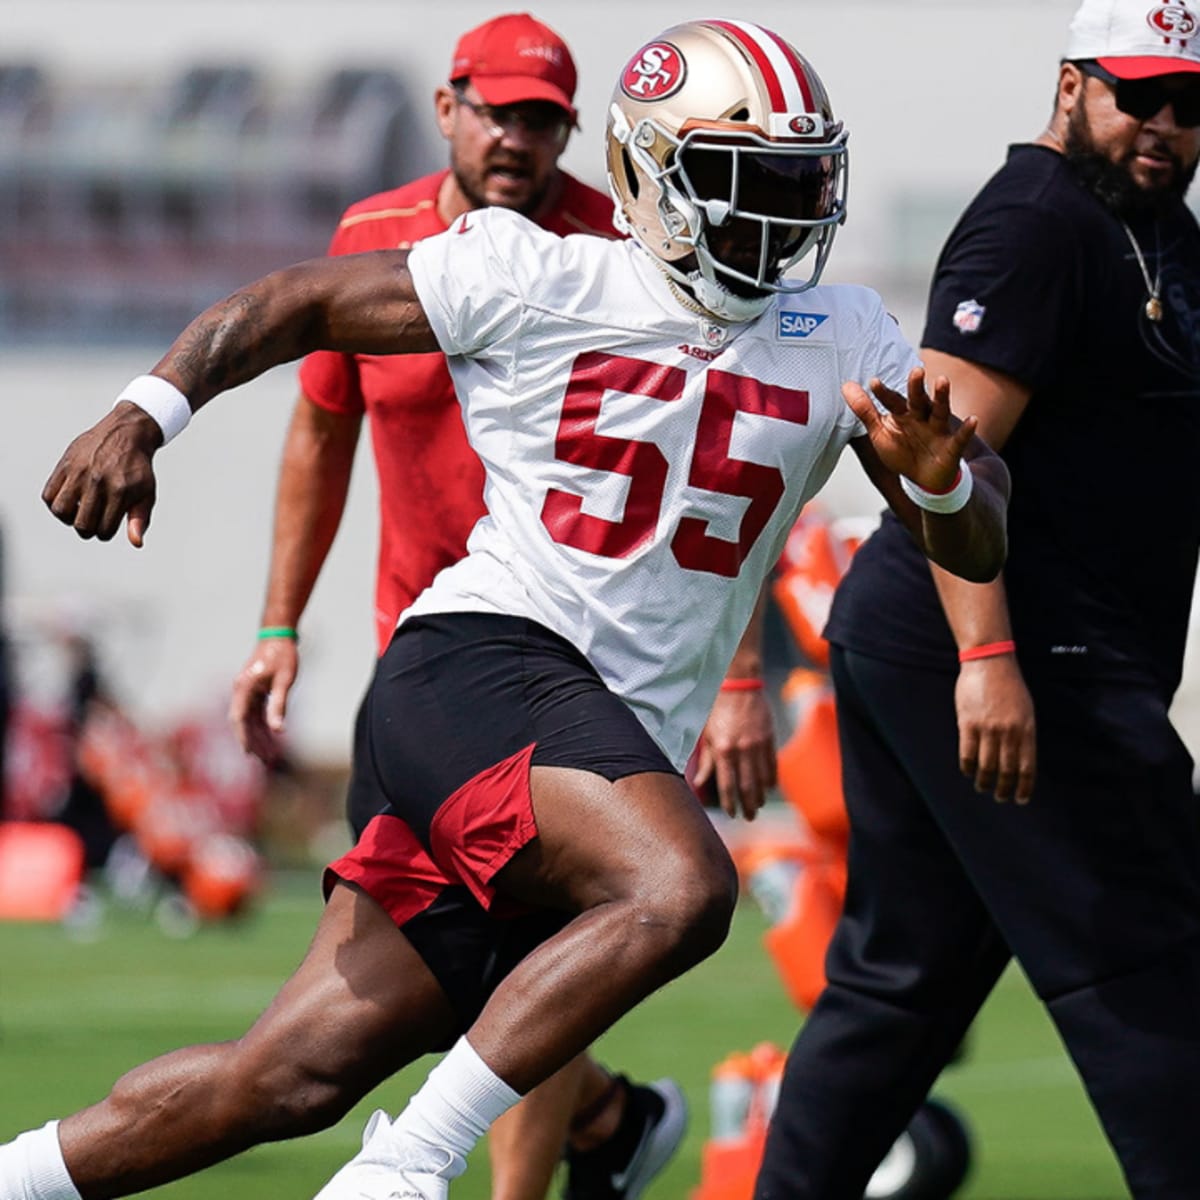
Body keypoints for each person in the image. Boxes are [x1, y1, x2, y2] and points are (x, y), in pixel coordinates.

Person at [26, 19, 1008, 1200]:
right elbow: (297, 303)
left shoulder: (841, 330)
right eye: (750, 183)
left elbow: (973, 524)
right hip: (479, 667)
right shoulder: (538, 271)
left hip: (603, 750)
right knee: (684, 889)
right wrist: (145, 411)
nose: (785, 213)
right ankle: (407, 1171)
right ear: (657, 174)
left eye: (804, 181)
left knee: (281, 1079)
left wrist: (946, 476)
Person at [225, 14, 739, 1200]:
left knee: (551, 930)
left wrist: (744, 676)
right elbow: (321, 431)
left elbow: (728, 468)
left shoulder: (622, 247)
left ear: (577, 132)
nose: (517, 137)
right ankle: (606, 1120)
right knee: (395, 978)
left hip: (582, 662)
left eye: (544, 119)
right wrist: (276, 623)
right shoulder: (377, 237)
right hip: (428, 655)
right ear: (448, 106)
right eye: (497, 110)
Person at [752, 1, 1200, 1197]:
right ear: (1071, 86)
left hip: (997, 647)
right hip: (1003, 652)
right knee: (1156, 960)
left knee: (901, 990)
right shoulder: (1038, 223)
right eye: (1138, 93)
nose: (1165, 123)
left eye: (1191, 103)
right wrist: (989, 661)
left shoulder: (1156, 233)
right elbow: (930, 466)